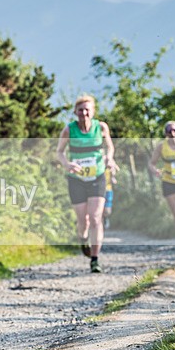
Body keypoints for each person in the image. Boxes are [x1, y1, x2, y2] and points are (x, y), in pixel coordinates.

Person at [56, 95, 117, 273]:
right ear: (75, 112)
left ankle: (95, 259)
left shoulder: (101, 127)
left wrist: (109, 158)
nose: (84, 113)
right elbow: (59, 152)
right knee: (83, 219)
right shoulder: (69, 130)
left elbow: (110, 147)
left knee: (96, 217)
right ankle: (83, 239)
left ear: (93, 111)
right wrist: (67, 164)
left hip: (98, 176)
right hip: (77, 179)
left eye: (87, 109)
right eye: (81, 110)